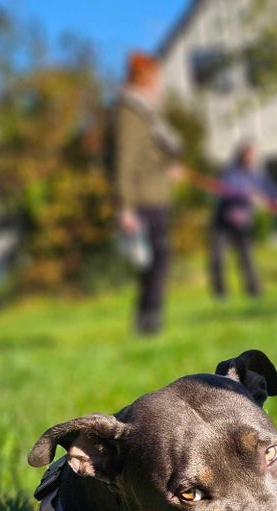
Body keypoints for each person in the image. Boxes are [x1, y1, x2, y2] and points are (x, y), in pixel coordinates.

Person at [115, 52, 182, 334]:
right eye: (156, 78)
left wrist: (168, 166)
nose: (160, 84)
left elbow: (152, 152)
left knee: (155, 260)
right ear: (144, 78)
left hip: (155, 195)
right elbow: (126, 159)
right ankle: (149, 322)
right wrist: (125, 206)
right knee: (154, 260)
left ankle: (148, 321)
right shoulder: (131, 113)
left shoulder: (148, 113)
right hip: (143, 198)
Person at [210, 140, 277, 299]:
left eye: (255, 155)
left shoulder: (257, 175)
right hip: (223, 223)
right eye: (250, 154)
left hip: (243, 223)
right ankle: (221, 294)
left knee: (247, 258)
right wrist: (247, 196)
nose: (253, 158)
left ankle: (254, 291)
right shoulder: (229, 172)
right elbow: (225, 191)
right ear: (242, 154)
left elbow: (271, 190)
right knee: (218, 259)